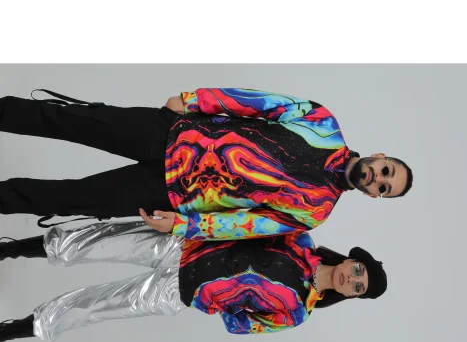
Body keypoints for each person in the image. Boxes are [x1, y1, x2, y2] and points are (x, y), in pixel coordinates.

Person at [0, 88, 413, 240]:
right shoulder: (322, 122)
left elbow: (246, 225)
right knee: (70, 120)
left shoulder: (314, 212)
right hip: (173, 133)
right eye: (386, 171)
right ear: (380, 156)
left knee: (73, 198)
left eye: (383, 188)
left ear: (373, 196)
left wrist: (183, 226)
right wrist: (196, 99)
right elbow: (259, 104)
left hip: (171, 195)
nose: (377, 179)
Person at [0, 219, 387, 342]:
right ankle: (9, 249)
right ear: (352, 259)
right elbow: (248, 222)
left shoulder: (296, 313)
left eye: (359, 286)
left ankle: (15, 329)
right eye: (359, 270)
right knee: (97, 240)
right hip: (184, 245)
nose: (352, 279)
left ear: (351, 295)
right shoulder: (300, 240)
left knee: (95, 307)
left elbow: (240, 325)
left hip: (179, 292)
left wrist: (221, 295)